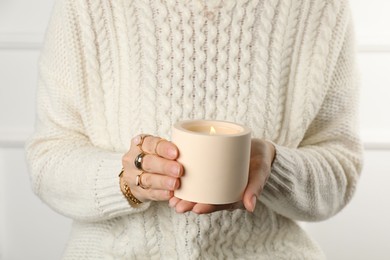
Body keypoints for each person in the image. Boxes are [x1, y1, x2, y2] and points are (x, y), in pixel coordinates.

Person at [26, 0, 363, 259]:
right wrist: (126, 181)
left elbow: (340, 170)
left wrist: (272, 168)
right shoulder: (90, 6)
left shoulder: (317, 9)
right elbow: (48, 160)